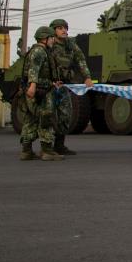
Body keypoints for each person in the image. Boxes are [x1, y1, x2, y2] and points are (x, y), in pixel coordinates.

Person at [48, 19, 94, 156]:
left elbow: (80, 60)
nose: (64, 31)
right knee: (47, 116)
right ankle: (46, 147)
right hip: (48, 86)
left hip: (63, 85)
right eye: (60, 28)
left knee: (65, 115)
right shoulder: (48, 45)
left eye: (65, 28)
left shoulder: (71, 45)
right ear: (53, 30)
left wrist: (87, 77)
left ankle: (59, 145)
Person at [18, 26, 63, 161]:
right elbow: (34, 70)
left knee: (30, 119)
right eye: (51, 38)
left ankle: (26, 151)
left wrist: (52, 83)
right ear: (45, 38)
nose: (53, 41)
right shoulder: (40, 52)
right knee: (46, 117)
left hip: (38, 89)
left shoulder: (36, 50)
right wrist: (33, 86)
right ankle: (47, 150)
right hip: (40, 91)